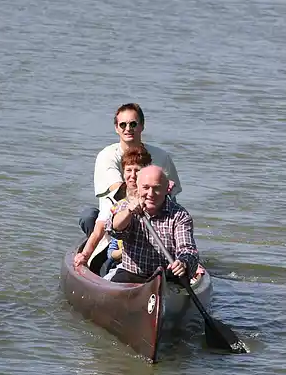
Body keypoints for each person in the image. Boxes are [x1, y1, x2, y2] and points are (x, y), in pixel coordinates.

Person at [79, 103, 181, 238]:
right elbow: (119, 189)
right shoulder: (106, 155)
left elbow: (172, 196)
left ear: (142, 126)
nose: (128, 129)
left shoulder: (162, 156)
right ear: (116, 128)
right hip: (113, 216)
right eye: (123, 125)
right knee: (88, 216)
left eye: (133, 124)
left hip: (153, 218)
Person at [105, 166, 199, 284]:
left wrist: (183, 263)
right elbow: (114, 228)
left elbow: (187, 250)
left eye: (157, 188)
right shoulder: (125, 207)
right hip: (132, 274)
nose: (151, 194)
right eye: (146, 188)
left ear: (166, 189)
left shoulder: (180, 215)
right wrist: (129, 212)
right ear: (138, 188)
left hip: (167, 278)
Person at [73, 146, 152, 274]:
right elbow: (100, 229)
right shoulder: (115, 200)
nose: (132, 176)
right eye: (129, 170)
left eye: (137, 171)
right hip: (117, 252)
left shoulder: (155, 196)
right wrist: (85, 255)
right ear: (123, 172)